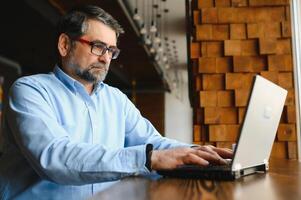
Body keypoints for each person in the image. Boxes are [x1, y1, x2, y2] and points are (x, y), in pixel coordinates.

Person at [0, 5, 232, 200]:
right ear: (64, 45)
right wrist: (148, 158)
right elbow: (54, 157)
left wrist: (199, 154)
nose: (106, 58)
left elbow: (153, 143)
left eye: (111, 50)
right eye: (98, 46)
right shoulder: (30, 91)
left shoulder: (116, 99)